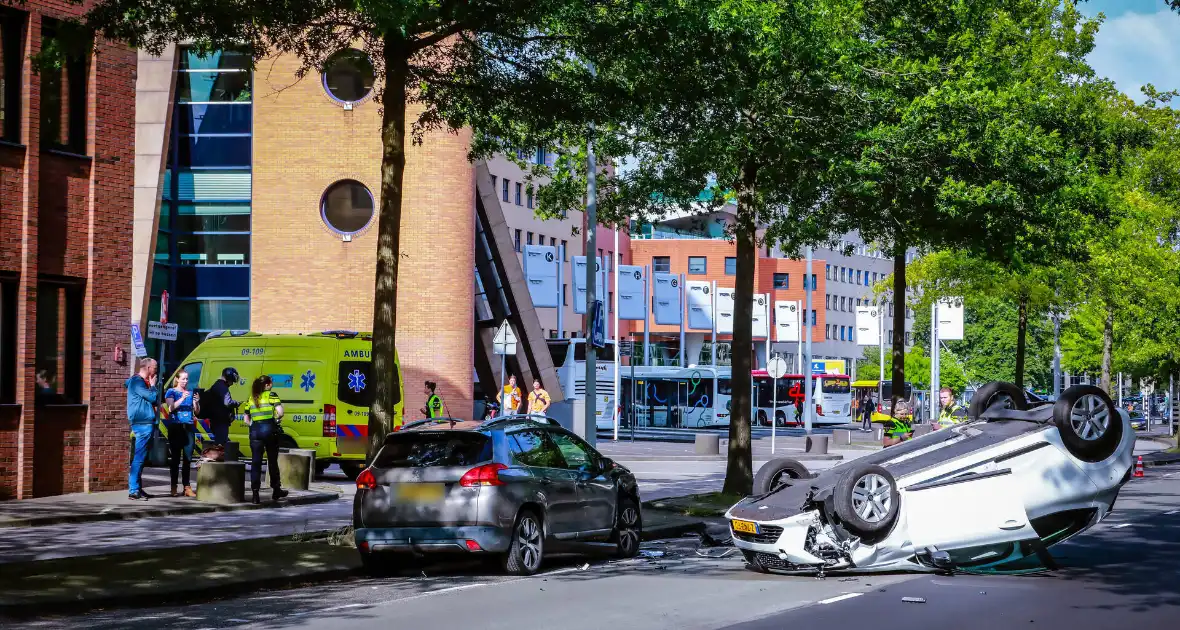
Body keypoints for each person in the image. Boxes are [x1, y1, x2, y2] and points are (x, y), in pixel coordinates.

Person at [246, 375, 288, 504]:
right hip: (269, 430)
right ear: (267, 385)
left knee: (256, 463)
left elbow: (246, 419)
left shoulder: (252, 397)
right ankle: (276, 490)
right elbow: (280, 412)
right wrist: (276, 419)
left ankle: (255, 494)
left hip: (255, 432)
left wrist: (254, 426)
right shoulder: (271, 395)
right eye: (271, 383)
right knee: (272, 461)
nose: (272, 385)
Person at [125, 358, 159, 500]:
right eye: (155, 368)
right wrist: (153, 385)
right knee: (139, 458)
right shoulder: (138, 381)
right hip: (142, 423)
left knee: (141, 457)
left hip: (145, 422)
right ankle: (133, 490)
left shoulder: (139, 382)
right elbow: (152, 397)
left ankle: (137, 488)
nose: (157, 371)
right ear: (148, 368)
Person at [164, 370, 198, 497]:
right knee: (175, 459)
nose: (185, 381)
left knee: (188, 459)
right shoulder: (171, 392)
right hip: (176, 427)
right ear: (177, 379)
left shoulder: (190, 393)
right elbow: (171, 408)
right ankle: (173, 486)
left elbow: (197, 412)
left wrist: (196, 402)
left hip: (188, 427)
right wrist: (182, 398)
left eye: (187, 379)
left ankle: (187, 487)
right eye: (183, 379)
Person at [199, 367, 240, 446]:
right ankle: (216, 457)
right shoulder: (222, 387)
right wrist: (236, 403)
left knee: (219, 442)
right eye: (232, 381)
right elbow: (227, 402)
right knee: (220, 444)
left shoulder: (217, 385)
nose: (232, 384)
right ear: (229, 378)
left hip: (216, 420)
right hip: (220, 421)